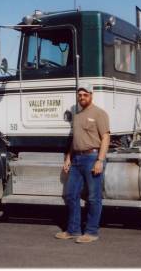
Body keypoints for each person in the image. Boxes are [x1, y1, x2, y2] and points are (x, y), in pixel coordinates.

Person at [55, 82, 110, 243]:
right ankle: (73, 230)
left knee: (93, 197)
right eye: (80, 95)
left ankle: (91, 232)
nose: (82, 97)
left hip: (92, 158)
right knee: (71, 195)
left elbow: (106, 137)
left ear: (91, 95)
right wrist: (68, 157)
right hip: (77, 159)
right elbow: (75, 139)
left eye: (85, 94)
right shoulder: (77, 115)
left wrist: (100, 160)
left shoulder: (99, 113)